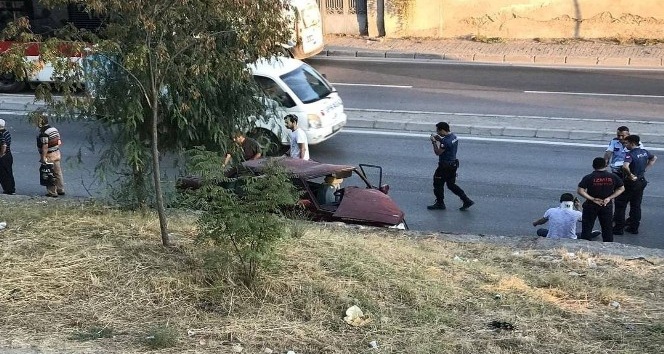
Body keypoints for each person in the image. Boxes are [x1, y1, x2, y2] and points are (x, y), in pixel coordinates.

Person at [613, 135, 657, 235]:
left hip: (630, 183)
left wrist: (630, 175)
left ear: (632, 143)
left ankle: (618, 228)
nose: (625, 145)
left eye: (626, 143)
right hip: (641, 181)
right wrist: (645, 169)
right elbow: (654, 158)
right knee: (636, 205)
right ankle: (634, 227)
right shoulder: (644, 152)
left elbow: (625, 166)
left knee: (620, 204)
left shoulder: (630, 154)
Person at [428, 122, 474, 211]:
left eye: (438, 131)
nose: (437, 133)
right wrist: (439, 139)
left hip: (444, 167)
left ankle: (440, 203)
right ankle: (466, 200)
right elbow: (447, 144)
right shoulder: (454, 137)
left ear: (442, 130)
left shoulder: (446, 141)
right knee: (451, 185)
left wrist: (434, 142)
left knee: (437, 184)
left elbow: (438, 152)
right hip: (453, 165)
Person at [577, 157, 625, 242]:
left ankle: (584, 247)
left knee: (587, 228)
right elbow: (621, 188)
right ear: (606, 165)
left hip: (591, 205)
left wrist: (592, 199)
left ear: (593, 166)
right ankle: (608, 247)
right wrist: (609, 197)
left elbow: (580, 190)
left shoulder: (589, 177)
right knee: (607, 228)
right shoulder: (613, 176)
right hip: (606, 205)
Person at [532, 193, 600, 239]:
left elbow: (542, 221)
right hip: (570, 238)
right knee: (581, 234)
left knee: (540, 231)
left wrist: (535, 223)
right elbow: (586, 220)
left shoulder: (551, 211)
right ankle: (593, 233)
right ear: (572, 203)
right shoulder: (576, 213)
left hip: (552, 237)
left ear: (561, 201)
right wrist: (579, 207)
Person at [36, 113, 65, 197]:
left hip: (49, 155)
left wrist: (43, 157)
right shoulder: (54, 129)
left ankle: (52, 192)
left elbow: (45, 146)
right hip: (56, 152)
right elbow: (59, 141)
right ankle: (60, 189)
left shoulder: (44, 133)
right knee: (58, 172)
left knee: (49, 173)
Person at [0, 119, 16, 195]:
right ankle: (11, 189)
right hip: (9, 155)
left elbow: (4, 145)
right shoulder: (6, 132)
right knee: (8, 173)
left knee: (3, 174)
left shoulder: (1, 134)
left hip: (3, 156)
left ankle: (8, 189)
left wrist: (1, 154)